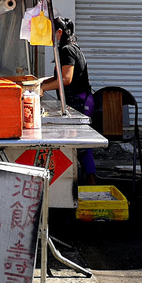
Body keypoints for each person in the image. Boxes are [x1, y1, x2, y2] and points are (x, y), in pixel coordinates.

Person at [40, 16, 97, 185]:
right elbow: (58, 77)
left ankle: (90, 182)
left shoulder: (67, 49)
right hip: (78, 99)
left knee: (82, 145)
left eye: (51, 32)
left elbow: (66, 79)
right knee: (79, 145)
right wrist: (40, 82)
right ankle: (80, 179)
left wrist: (42, 89)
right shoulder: (70, 47)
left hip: (80, 101)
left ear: (59, 32)